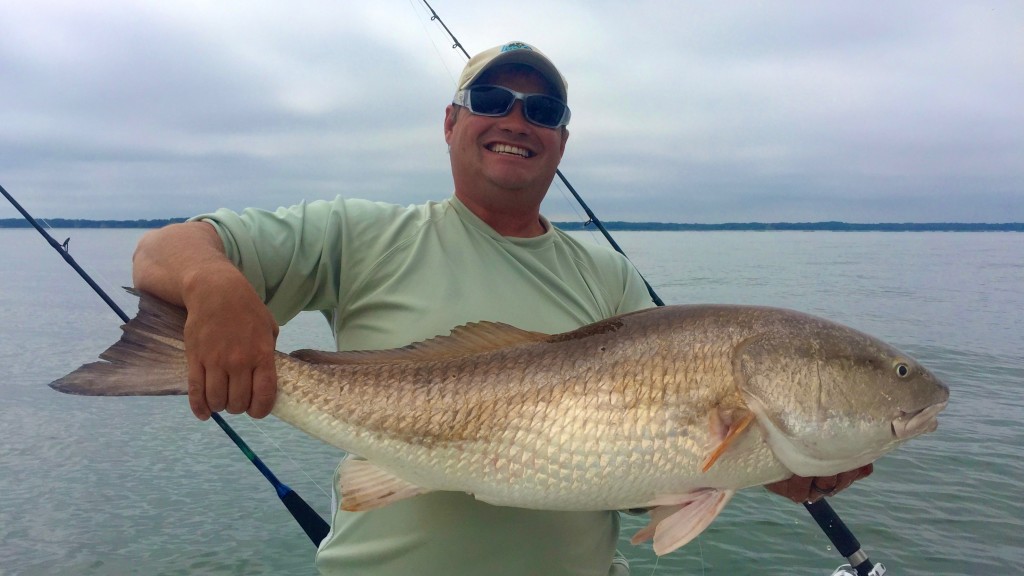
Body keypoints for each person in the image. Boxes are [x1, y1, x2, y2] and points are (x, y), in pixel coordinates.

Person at [132, 41, 871, 576]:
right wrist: (214, 287)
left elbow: (647, 455)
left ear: (561, 141)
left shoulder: (608, 275)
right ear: (450, 123)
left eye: (542, 110)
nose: (517, 120)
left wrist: (765, 463)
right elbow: (165, 251)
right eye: (491, 102)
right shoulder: (360, 235)